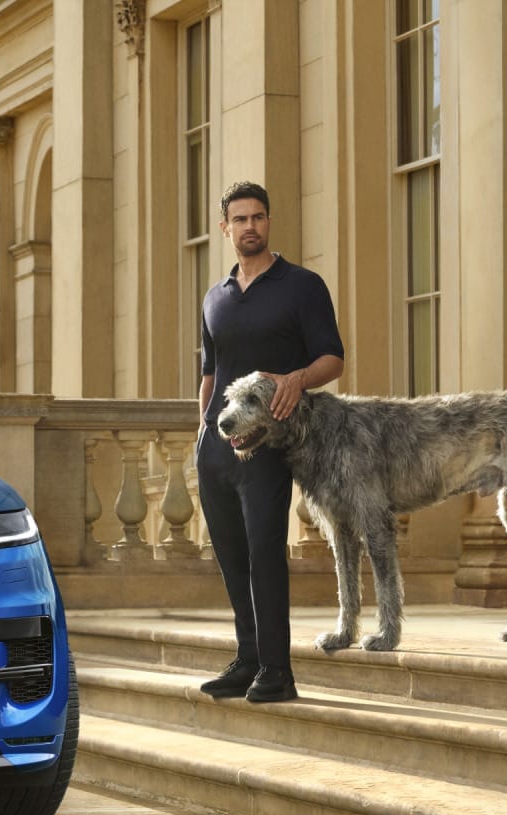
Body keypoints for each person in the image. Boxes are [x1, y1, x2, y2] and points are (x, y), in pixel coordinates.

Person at [196, 182, 345, 703]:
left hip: (269, 442)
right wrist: (201, 432)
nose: (250, 227)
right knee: (232, 555)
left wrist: (297, 378)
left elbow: (333, 357)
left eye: (258, 217)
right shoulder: (215, 296)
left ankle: (277, 670)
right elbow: (210, 373)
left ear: (269, 222)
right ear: (225, 228)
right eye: (240, 219)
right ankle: (248, 658)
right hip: (217, 445)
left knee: (264, 552)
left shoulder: (301, 286)